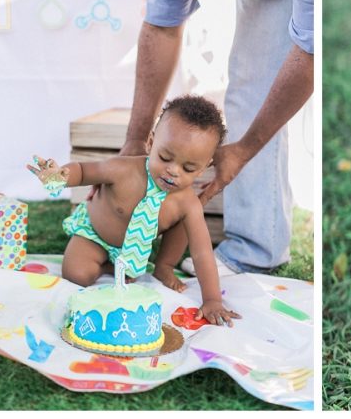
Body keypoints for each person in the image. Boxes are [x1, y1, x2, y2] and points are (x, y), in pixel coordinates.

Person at [121, 0, 314, 276]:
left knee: (265, 112)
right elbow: (163, 25)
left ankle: (253, 250)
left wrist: (245, 149)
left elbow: (310, 52)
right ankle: (254, 249)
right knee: (247, 85)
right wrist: (135, 139)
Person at [28, 95, 241, 327]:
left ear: (203, 168)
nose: (173, 171)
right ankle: (110, 266)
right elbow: (84, 170)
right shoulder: (124, 170)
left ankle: (163, 266)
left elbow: (202, 252)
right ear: (150, 143)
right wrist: (60, 176)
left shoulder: (187, 201)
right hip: (95, 235)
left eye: (188, 168)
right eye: (165, 157)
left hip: (133, 247)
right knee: (77, 274)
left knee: (190, 219)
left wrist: (212, 299)